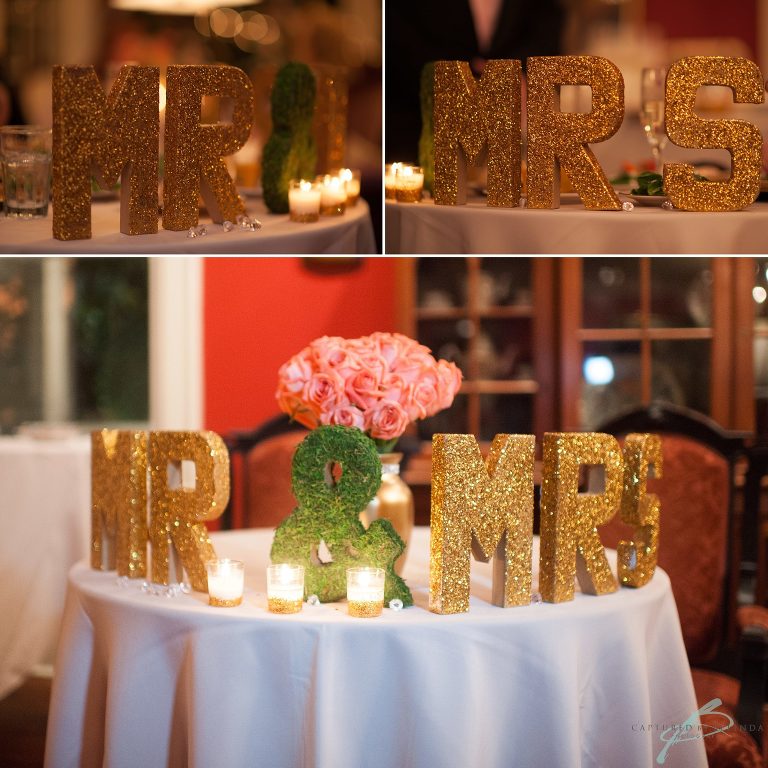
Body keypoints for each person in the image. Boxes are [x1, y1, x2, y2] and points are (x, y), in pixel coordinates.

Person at [385, 0, 564, 162]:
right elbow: (397, 34)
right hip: (415, 130)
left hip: (510, 138)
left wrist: (515, 73)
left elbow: (545, 27)